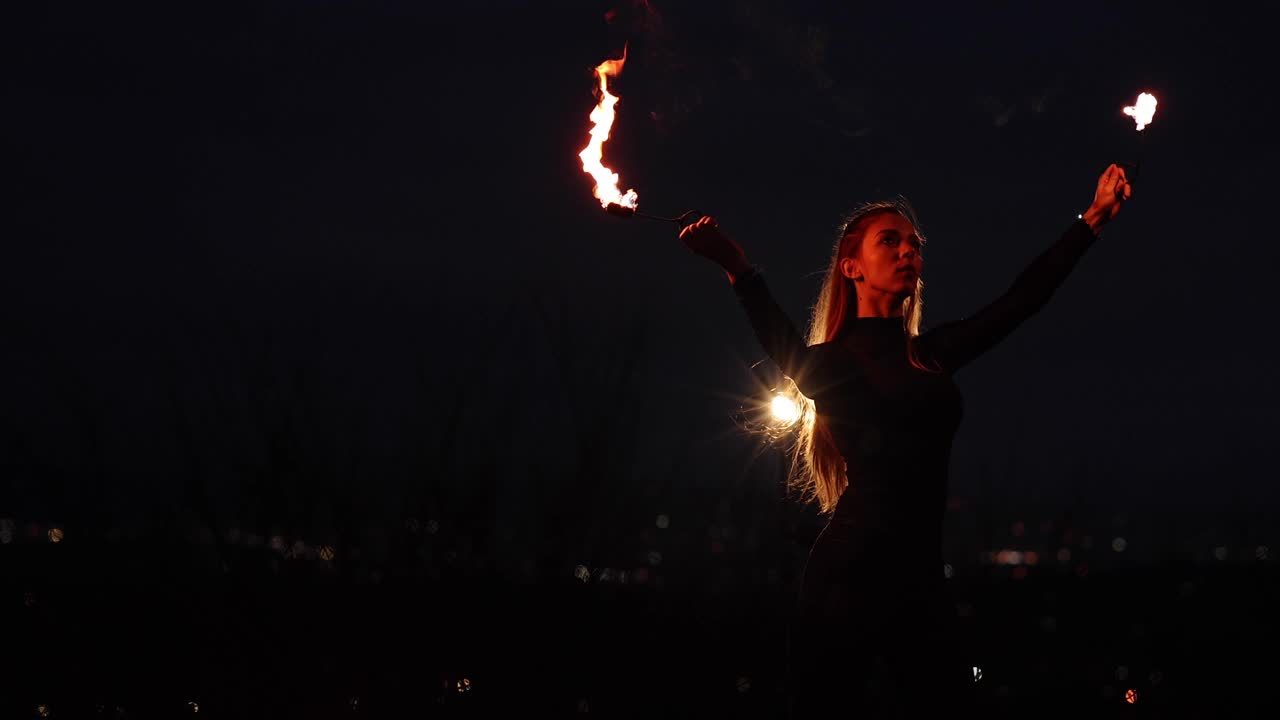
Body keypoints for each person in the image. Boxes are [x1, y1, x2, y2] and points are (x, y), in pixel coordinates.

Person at [678, 164, 1132, 717]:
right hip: (847, 580)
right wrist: (734, 264)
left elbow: (1021, 300)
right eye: (888, 241)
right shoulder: (832, 366)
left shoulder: (930, 354)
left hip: (920, 582)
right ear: (851, 267)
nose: (906, 251)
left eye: (913, 244)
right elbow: (777, 336)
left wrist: (1092, 221)